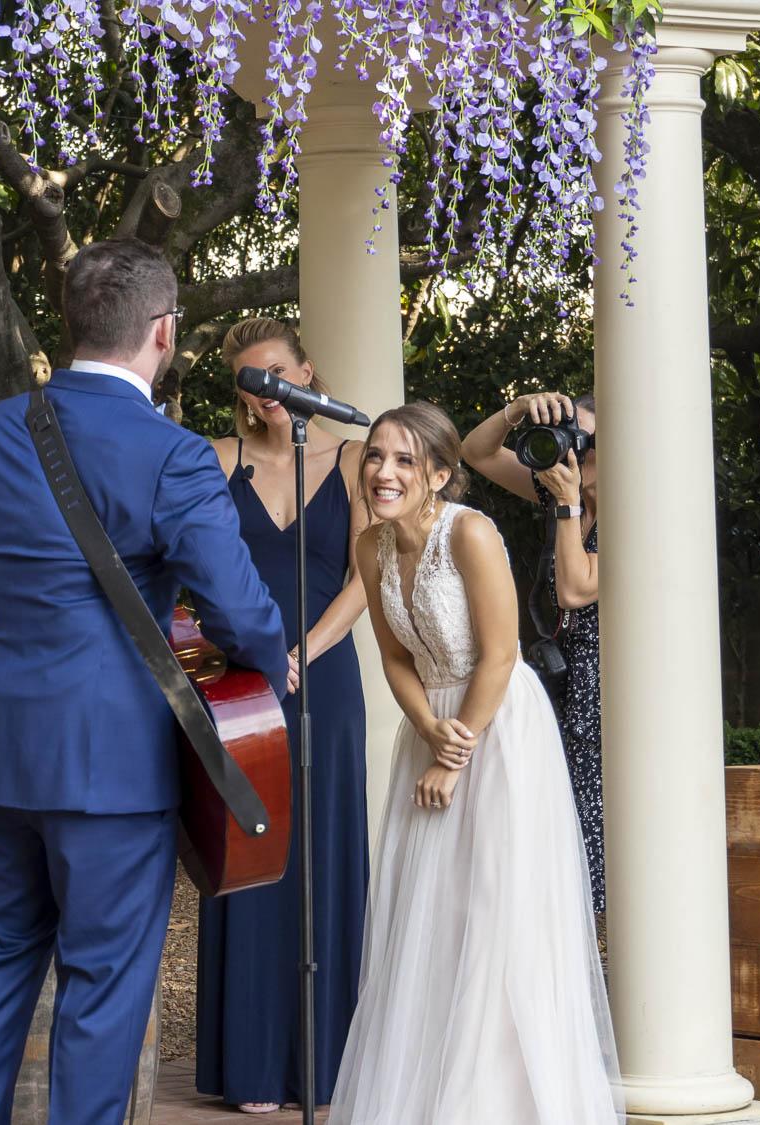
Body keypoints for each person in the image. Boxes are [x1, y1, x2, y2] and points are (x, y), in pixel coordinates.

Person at [0, 238, 288, 1124]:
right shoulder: (174, 454)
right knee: (102, 979)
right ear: (163, 331)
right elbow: (241, 614)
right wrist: (270, 671)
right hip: (110, 761)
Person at [333, 403, 622, 1124]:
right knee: (429, 912)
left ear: (439, 475)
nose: (384, 471)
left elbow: (501, 654)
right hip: (431, 730)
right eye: (376, 456)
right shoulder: (370, 547)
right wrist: (427, 727)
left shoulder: (471, 532)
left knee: (493, 907)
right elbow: (394, 657)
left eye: (405, 460)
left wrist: (454, 754)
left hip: (496, 727)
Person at [197, 318, 370, 1113]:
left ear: (305, 371)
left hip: (326, 680)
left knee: (322, 851)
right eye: (249, 378)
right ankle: (253, 1063)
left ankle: (325, 1062)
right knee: (250, 848)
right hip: (240, 681)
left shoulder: (356, 459)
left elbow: (365, 578)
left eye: (275, 371)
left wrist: (300, 650)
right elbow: (195, 566)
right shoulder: (214, 458)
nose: (264, 389)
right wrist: (257, 650)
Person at [462, 391, 604, 909]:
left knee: (592, 835)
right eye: (565, 432)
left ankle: (603, 945)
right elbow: (475, 452)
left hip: (606, 689)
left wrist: (567, 505)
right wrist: (518, 410)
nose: (570, 447)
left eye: (582, 438)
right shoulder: (559, 491)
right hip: (561, 679)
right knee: (550, 824)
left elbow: (575, 589)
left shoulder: (638, 509)